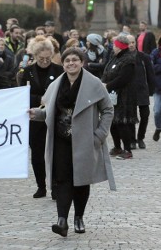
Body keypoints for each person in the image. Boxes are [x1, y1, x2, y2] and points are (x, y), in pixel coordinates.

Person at [28, 47, 115, 237]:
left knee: (81, 181)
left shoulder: (94, 84)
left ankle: (79, 217)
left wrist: (99, 135)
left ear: (82, 62)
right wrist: (36, 114)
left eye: (75, 60)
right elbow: (50, 111)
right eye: (67, 61)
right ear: (63, 63)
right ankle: (62, 220)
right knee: (62, 180)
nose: (71, 63)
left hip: (85, 140)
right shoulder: (56, 85)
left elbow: (108, 110)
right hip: (60, 140)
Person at [18, 37, 63, 199]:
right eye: (41, 59)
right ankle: (41, 185)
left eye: (47, 58)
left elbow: (63, 92)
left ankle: (55, 186)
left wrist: (50, 99)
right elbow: (23, 94)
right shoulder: (28, 72)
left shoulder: (59, 71)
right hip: (34, 117)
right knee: (37, 154)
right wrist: (39, 99)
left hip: (54, 117)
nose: (44, 61)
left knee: (54, 153)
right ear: (35, 56)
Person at [101, 35, 138, 160]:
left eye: (115, 45)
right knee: (113, 122)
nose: (113, 47)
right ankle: (117, 147)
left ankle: (127, 150)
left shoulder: (128, 60)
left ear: (121, 46)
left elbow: (124, 78)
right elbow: (107, 71)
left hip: (124, 96)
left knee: (122, 122)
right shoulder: (115, 57)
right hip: (111, 95)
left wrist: (107, 85)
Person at [126, 34, 155, 149]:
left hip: (142, 90)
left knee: (145, 115)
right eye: (129, 43)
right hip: (129, 91)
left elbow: (150, 74)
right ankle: (132, 140)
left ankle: (140, 137)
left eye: (133, 42)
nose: (131, 45)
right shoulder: (123, 57)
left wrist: (151, 90)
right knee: (131, 116)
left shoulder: (144, 57)